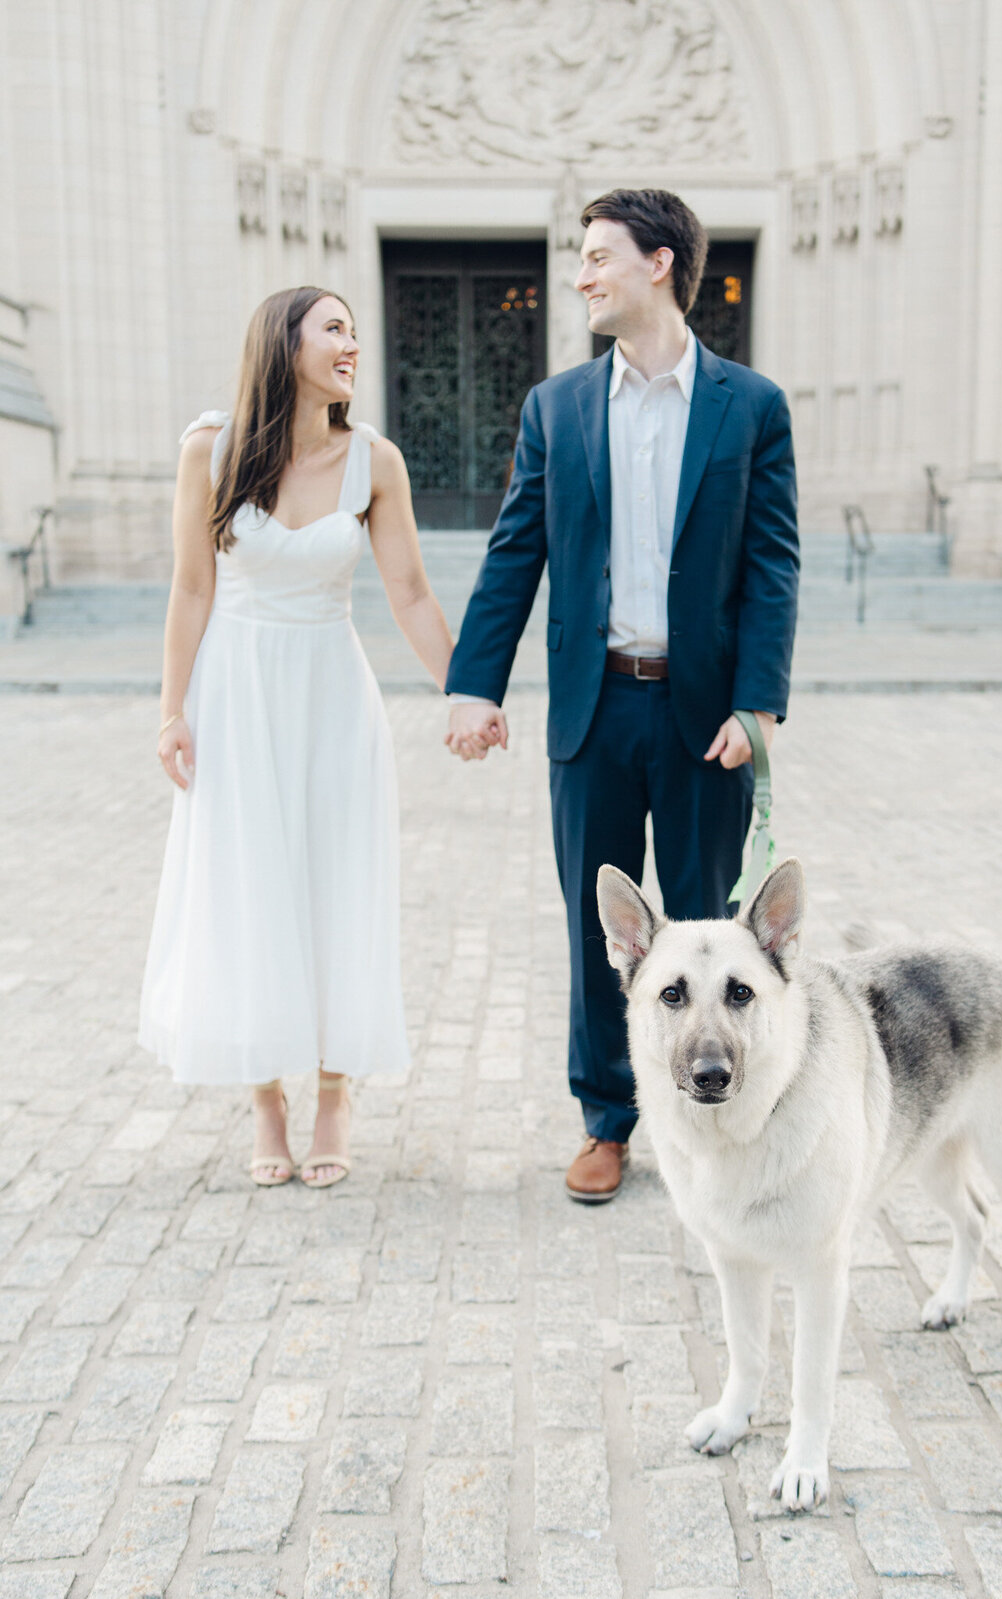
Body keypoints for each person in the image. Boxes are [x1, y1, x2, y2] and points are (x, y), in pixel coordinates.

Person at [445, 190, 799, 1203]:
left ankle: (711, 1122)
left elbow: (773, 563)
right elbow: (517, 552)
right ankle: (607, 1122)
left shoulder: (751, 405)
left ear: (660, 263)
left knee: (708, 936)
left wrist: (758, 701)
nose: (583, 276)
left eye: (599, 257)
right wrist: (476, 682)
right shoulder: (555, 407)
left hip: (705, 724)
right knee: (607, 936)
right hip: (592, 713)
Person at [140, 286, 453, 1187]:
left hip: (330, 696)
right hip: (235, 698)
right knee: (249, 891)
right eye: (335, 329)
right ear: (284, 345)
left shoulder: (375, 461)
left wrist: (468, 692)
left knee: (334, 887)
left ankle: (333, 1092)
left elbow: (410, 595)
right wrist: (172, 711)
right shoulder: (211, 451)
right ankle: (265, 1105)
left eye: (355, 330)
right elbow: (191, 591)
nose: (352, 344)